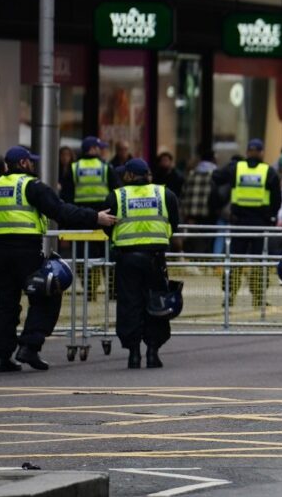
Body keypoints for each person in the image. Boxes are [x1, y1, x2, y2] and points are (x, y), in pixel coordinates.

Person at [0, 146, 116, 372]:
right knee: (47, 295)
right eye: (30, 161)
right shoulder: (31, 186)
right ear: (22, 164)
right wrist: (95, 217)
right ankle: (30, 347)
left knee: (4, 304)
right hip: (26, 251)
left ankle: (1, 357)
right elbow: (61, 211)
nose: (33, 164)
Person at [104, 158, 180, 369]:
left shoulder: (117, 196)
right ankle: (153, 352)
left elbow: (106, 225)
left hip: (127, 258)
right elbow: (174, 223)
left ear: (129, 176)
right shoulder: (165, 194)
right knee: (157, 303)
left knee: (130, 303)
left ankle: (134, 353)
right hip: (155, 257)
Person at [213, 138, 281, 308]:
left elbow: (216, 177)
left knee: (235, 260)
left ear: (247, 151)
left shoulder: (237, 168)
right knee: (260, 260)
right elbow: (277, 200)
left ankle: (229, 297)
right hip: (260, 223)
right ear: (262, 152)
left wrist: (231, 165)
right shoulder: (269, 171)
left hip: (239, 222)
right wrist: (270, 216)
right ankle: (258, 298)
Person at [62, 136, 118, 300]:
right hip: (105, 218)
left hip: (82, 218)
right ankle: (112, 291)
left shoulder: (74, 168)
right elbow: (117, 193)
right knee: (107, 254)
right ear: (93, 149)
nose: (101, 150)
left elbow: (66, 197)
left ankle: (89, 291)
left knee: (83, 255)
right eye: (99, 147)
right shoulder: (106, 167)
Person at [181, 149, 217, 256]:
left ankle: (194, 262)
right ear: (213, 159)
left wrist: (184, 212)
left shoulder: (191, 173)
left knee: (194, 240)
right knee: (207, 241)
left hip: (192, 214)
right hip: (207, 213)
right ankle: (205, 262)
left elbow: (184, 193)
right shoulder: (215, 173)